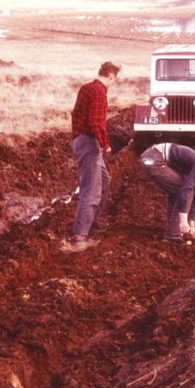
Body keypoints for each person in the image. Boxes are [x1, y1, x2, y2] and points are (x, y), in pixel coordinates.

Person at [63, 61, 121, 251]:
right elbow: (96, 122)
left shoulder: (87, 87)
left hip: (83, 140)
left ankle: (93, 219)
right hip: (89, 143)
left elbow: (75, 113)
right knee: (91, 190)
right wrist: (106, 145)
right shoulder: (98, 92)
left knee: (104, 179)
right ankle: (80, 236)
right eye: (114, 79)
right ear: (111, 77)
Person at [138, 142, 195, 243]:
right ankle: (173, 233)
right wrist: (184, 222)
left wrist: (192, 225)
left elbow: (191, 196)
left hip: (151, 156)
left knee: (182, 191)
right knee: (182, 189)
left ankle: (172, 232)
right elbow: (186, 190)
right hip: (153, 159)